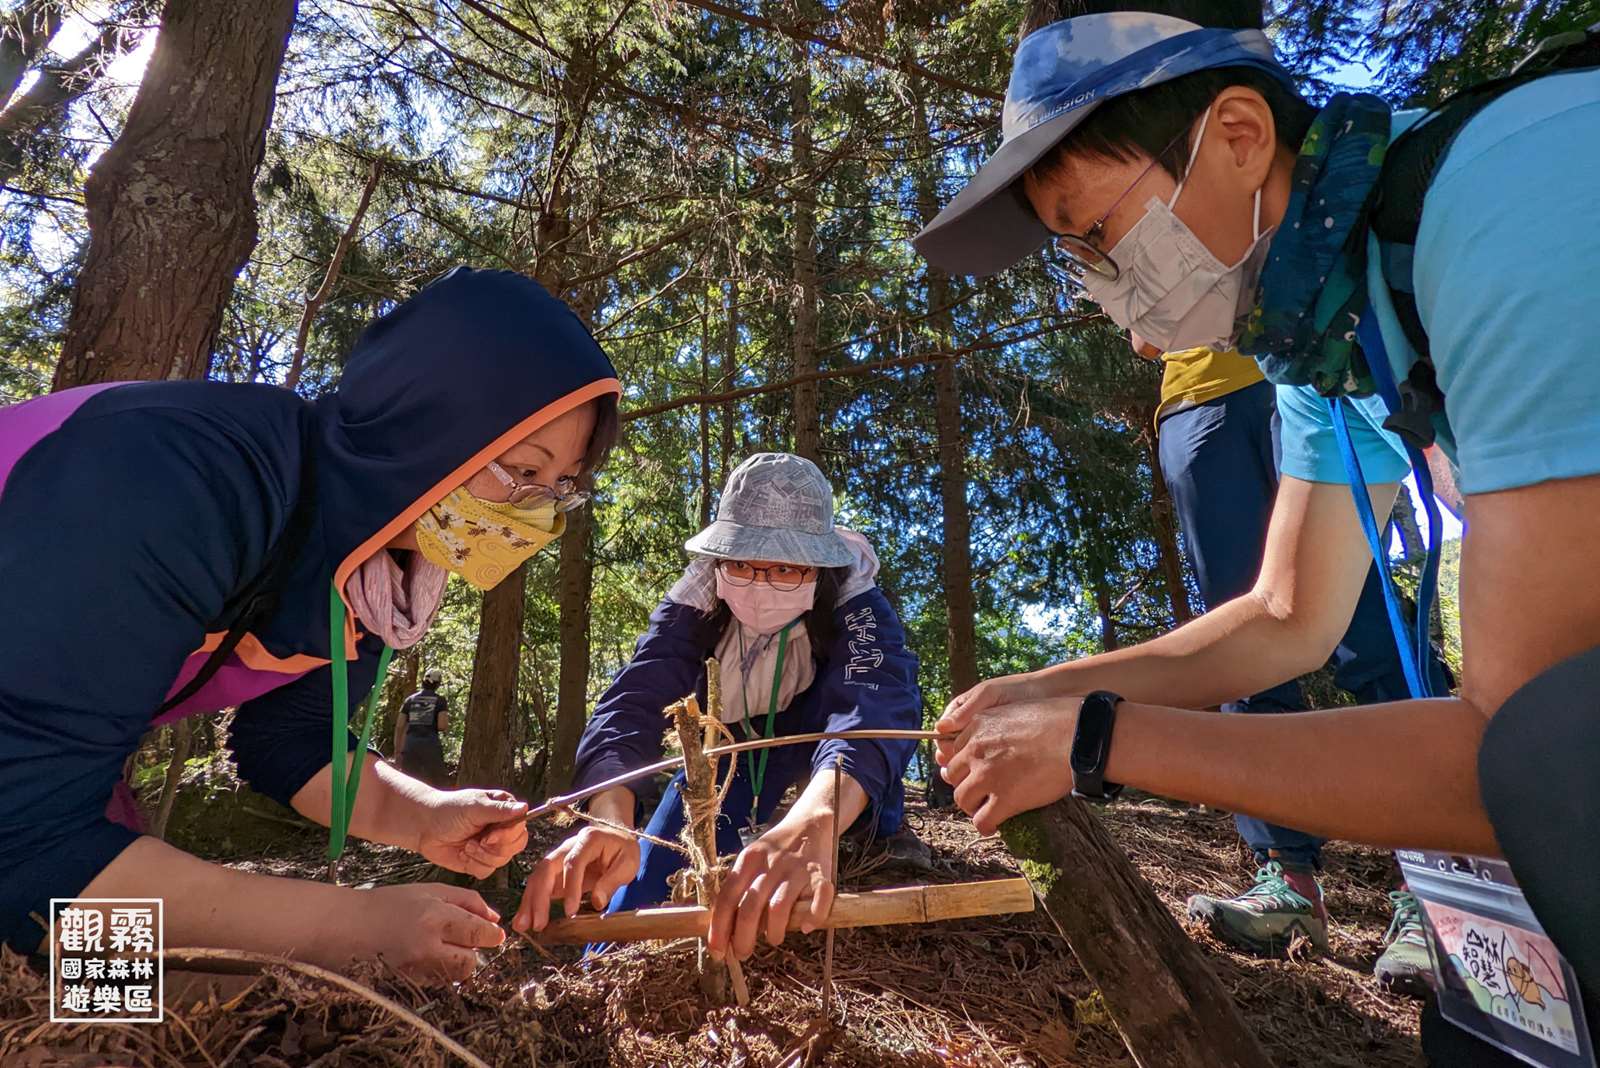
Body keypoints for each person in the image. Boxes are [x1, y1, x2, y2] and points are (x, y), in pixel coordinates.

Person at [914, 0, 1600, 1058]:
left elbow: (1523, 751)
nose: (1095, 285)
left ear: (1237, 136)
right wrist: (1042, 692)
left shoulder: (1511, 199)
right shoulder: (1336, 333)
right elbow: (1282, 617)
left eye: (1095, 230)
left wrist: (1097, 741)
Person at [0, 267, 622, 981]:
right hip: (24, 801)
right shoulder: (175, 474)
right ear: (425, 426)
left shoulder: (382, 573)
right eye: (522, 470)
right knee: (113, 984)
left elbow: (287, 742)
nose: (536, 511)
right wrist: (347, 926)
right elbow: (23, 844)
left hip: (42, 785)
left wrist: (426, 816)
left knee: (156, 994)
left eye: (561, 487)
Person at [513, 453, 921, 961]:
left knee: (860, 799)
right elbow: (635, 695)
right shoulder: (696, 601)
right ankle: (599, 963)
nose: (758, 582)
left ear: (818, 563)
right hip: (735, 738)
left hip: (823, 734)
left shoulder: (852, 598)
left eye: (784, 568)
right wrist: (611, 815)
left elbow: (877, 697)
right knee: (644, 879)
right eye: (743, 563)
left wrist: (816, 820)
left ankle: (878, 829)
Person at [1141, 334, 1447, 982]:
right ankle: (1286, 882)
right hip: (1196, 404)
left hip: (1311, 364)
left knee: (1370, 623)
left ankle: (1443, 886)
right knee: (1241, 641)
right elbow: (1145, 334)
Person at [395, 667, 452, 788]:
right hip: (430, 746)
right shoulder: (440, 701)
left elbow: (400, 726)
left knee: (409, 784)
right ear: (438, 684)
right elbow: (442, 726)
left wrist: (398, 750)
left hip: (411, 746)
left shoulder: (409, 700)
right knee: (436, 784)